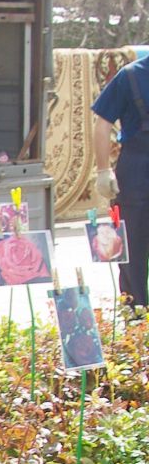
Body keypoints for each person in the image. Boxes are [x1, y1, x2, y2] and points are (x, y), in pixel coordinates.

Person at [91, 48, 149, 308]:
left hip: (135, 168)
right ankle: (137, 318)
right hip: (136, 168)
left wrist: (104, 169)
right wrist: (102, 170)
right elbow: (102, 124)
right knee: (131, 245)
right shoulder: (130, 75)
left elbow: (102, 124)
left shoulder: (130, 75)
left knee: (132, 247)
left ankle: (136, 318)